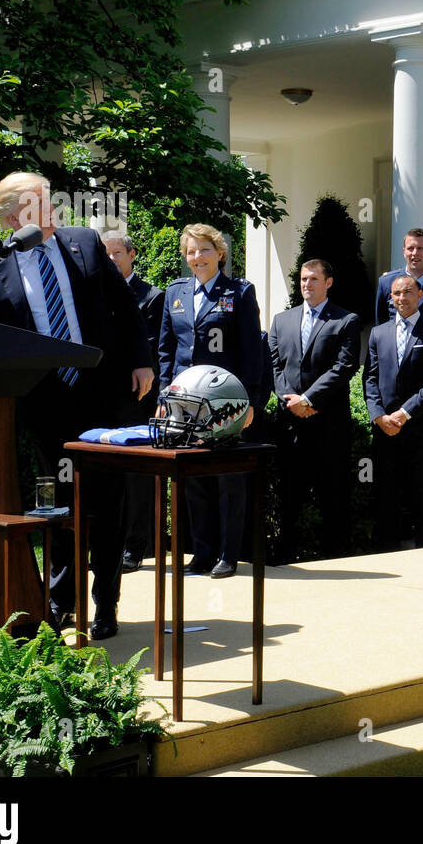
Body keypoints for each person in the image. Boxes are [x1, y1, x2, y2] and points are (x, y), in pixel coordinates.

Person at [0, 173, 153, 640]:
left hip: (102, 393)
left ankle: (105, 604)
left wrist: (142, 363)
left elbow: (125, 308)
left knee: (108, 501)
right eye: (39, 203)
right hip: (45, 401)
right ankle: (59, 601)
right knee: (58, 505)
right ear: (12, 219)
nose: (53, 208)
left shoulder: (84, 244)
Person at [159, 223, 265, 578]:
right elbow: (166, 351)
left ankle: (228, 555)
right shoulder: (174, 293)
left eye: (204, 250)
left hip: (225, 402)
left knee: (228, 481)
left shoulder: (239, 292)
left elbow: (253, 353)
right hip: (183, 405)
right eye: (191, 251)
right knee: (193, 481)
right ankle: (201, 553)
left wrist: (250, 402)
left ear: (220, 253)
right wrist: (164, 396)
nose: (197, 257)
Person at [269, 258, 362, 560]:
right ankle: (286, 553)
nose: (306, 284)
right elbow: (273, 364)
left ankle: (335, 553)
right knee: (289, 493)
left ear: (328, 282)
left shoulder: (345, 321)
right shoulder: (282, 320)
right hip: (290, 423)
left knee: (332, 492)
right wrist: (290, 400)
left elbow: (343, 367)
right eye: (303, 279)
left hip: (328, 423)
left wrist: (308, 400)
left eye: (313, 279)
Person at [364, 273, 423, 551]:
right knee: (386, 495)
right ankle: (387, 551)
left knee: (422, 496)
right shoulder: (379, 333)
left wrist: (405, 412)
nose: (402, 298)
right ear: (391, 298)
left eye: (408, 292)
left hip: (419, 430)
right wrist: (379, 416)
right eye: (397, 293)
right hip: (385, 430)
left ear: (420, 295)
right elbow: (371, 379)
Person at [101, 230, 165, 574]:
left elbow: (150, 346)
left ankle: (136, 547)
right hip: (104, 397)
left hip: (138, 398)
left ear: (132, 255)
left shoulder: (152, 297)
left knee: (138, 477)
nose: (111, 260)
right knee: (108, 474)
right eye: (105, 254)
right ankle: (107, 544)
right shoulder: (94, 293)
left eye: (116, 254)